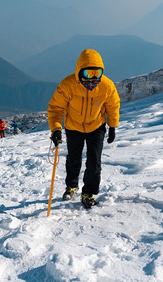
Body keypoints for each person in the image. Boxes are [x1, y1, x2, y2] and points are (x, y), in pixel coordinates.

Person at [47, 49, 120, 208]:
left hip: (96, 126)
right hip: (73, 127)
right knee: (74, 158)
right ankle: (71, 186)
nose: (93, 79)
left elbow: (113, 106)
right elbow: (55, 108)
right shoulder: (68, 85)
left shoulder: (106, 85)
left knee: (94, 162)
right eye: (88, 73)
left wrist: (113, 126)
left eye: (97, 73)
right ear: (79, 72)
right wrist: (56, 128)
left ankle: (89, 193)